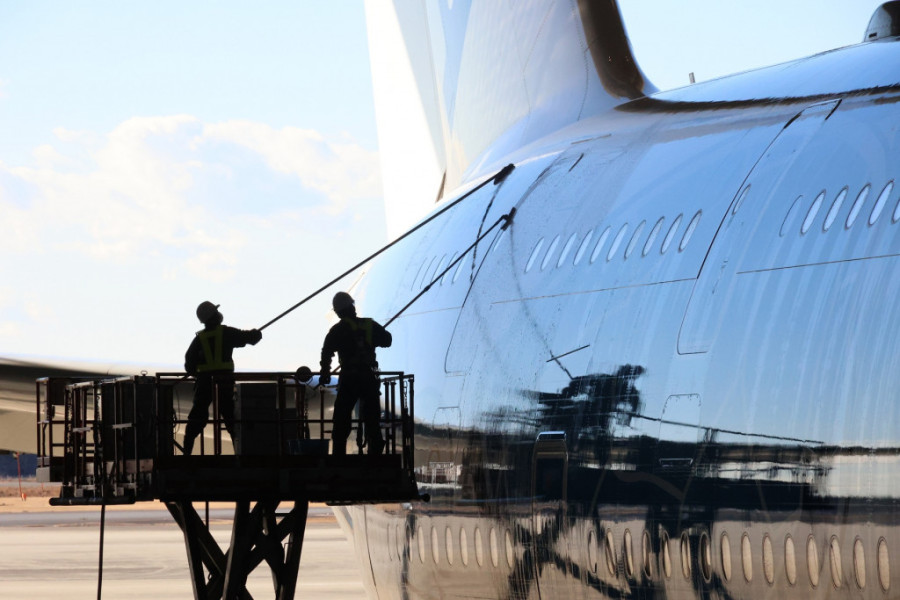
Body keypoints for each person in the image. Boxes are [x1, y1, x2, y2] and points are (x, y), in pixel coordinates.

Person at [183, 301, 262, 455]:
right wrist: (256, 333)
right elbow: (250, 338)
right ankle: (240, 454)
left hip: (204, 384)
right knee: (232, 420)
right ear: (215, 315)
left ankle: (186, 453)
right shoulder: (226, 333)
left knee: (196, 418)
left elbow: (189, 364)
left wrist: (200, 374)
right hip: (225, 383)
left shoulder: (200, 339)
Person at [319, 292, 391, 455]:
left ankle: (339, 455)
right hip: (369, 379)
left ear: (338, 312)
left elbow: (327, 352)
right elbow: (387, 340)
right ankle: (376, 453)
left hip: (349, 380)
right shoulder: (369, 325)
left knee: (342, 417)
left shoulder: (337, 330)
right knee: (372, 418)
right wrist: (372, 339)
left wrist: (325, 372)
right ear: (352, 307)